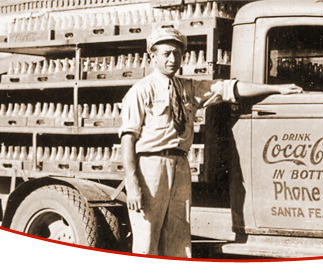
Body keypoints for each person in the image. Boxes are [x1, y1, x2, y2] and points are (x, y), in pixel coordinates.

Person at [119, 27, 303, 257]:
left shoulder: (189, 88)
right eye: (166, 53)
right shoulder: (140, 91)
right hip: (150, 166)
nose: (172, 59)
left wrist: (275, 88)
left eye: (177, 54)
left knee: (179, 238)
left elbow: (230, 88)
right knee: (147, 239)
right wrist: (133, 182)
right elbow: (128, 138)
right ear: (152, 56)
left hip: (180, 165)